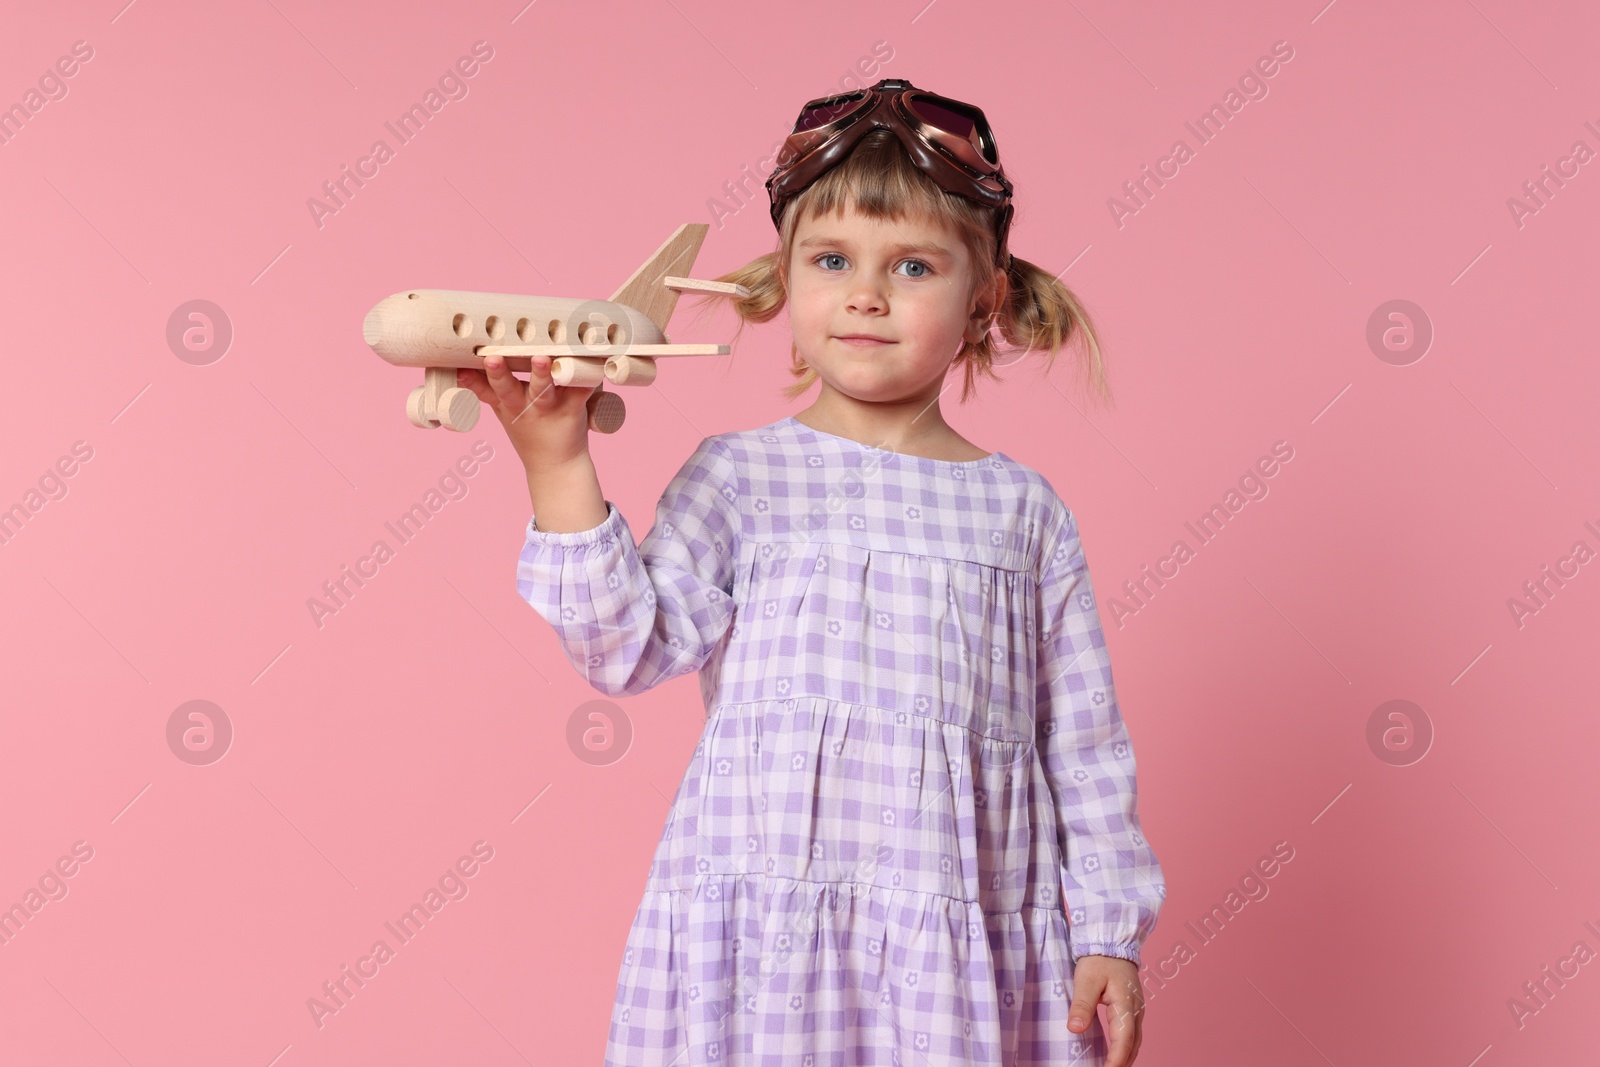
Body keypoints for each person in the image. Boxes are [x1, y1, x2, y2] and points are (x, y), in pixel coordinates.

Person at [458, 77, 1166, 1067]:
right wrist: (557, 462)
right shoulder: (740, 479)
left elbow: (1081, 743)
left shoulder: (1023, 512)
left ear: (984, 296)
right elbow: (625, 647)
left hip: (956, 943)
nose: (866, 294)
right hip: (771, 948)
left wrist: (1106, 926)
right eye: (831, 260)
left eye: (913, 265)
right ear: (784, 280)